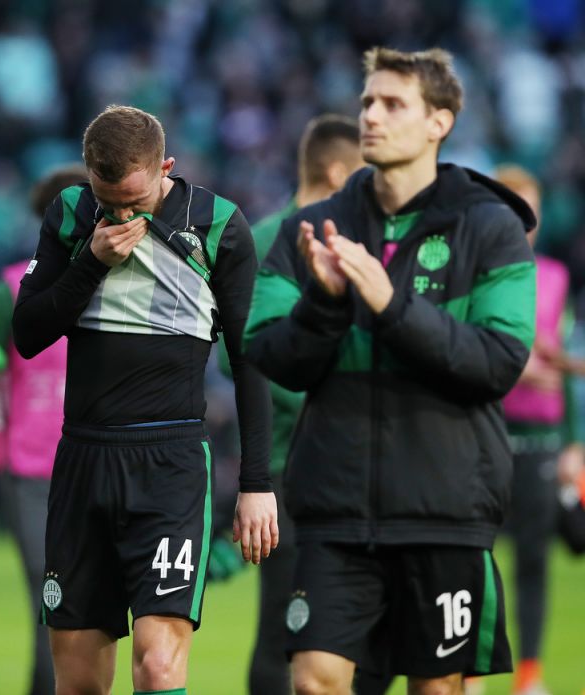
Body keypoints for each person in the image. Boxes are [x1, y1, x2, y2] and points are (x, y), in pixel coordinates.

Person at [245, 47, 537, 695]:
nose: (371, 115)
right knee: (315, 680)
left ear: (440, 122)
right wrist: (323, 304)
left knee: (437, 689)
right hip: (335, 514)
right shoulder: (309, 230)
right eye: (367, 101)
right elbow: (267, 353)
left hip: (446, 510)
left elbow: (498, 362)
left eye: (393, 103)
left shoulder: (492, 229)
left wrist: (390, 304)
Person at [12, 104, 277, 695]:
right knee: (79, 680)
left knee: (158, 667)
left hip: (170, 466)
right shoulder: (72, 216)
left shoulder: (218, 226)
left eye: (136, 200)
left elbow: (249, 361)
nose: (123, 214)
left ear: (167, 169)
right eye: (110, 201)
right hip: (83, 462)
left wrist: (257, 484)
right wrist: (90, 263)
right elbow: (28, 334)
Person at [225, 114, 390, 695]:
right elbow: (238, 354)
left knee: (367, 633)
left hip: (362, 464)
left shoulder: (369, 239)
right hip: (286, 465)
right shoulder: (268, 238)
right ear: (341, 171)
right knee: (284, 628)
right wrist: (317, 393)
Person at [0, 163, 88, 695]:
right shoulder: (10, 291)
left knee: (84, 601)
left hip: (95, 462)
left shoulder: (115, 284)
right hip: (30, 470)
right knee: (50, 593)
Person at [493, 164, 584, 695]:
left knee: (533, 558)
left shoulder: (555, 276)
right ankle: (473, 662)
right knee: (476, 553)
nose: (525, 221)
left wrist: (574, 441)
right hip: (489, 425)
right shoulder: (480, 272)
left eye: (531, 210)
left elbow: (563, 360)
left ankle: (529, 673)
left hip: (543, 434)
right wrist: (511, 362)